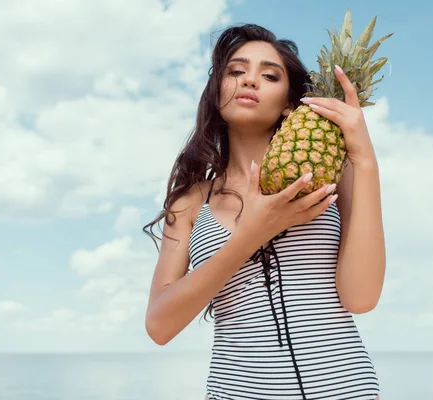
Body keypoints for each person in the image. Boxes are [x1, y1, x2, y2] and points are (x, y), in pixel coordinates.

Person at [143, 23, 386, 400]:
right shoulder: (192, 201)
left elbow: (361, 297)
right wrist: (249, 236)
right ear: (217, 92)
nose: (250, 80)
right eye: (236, 71)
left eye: (269, 75)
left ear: (291, 102)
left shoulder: (337, 176)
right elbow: (159, 326)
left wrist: (364, 157)